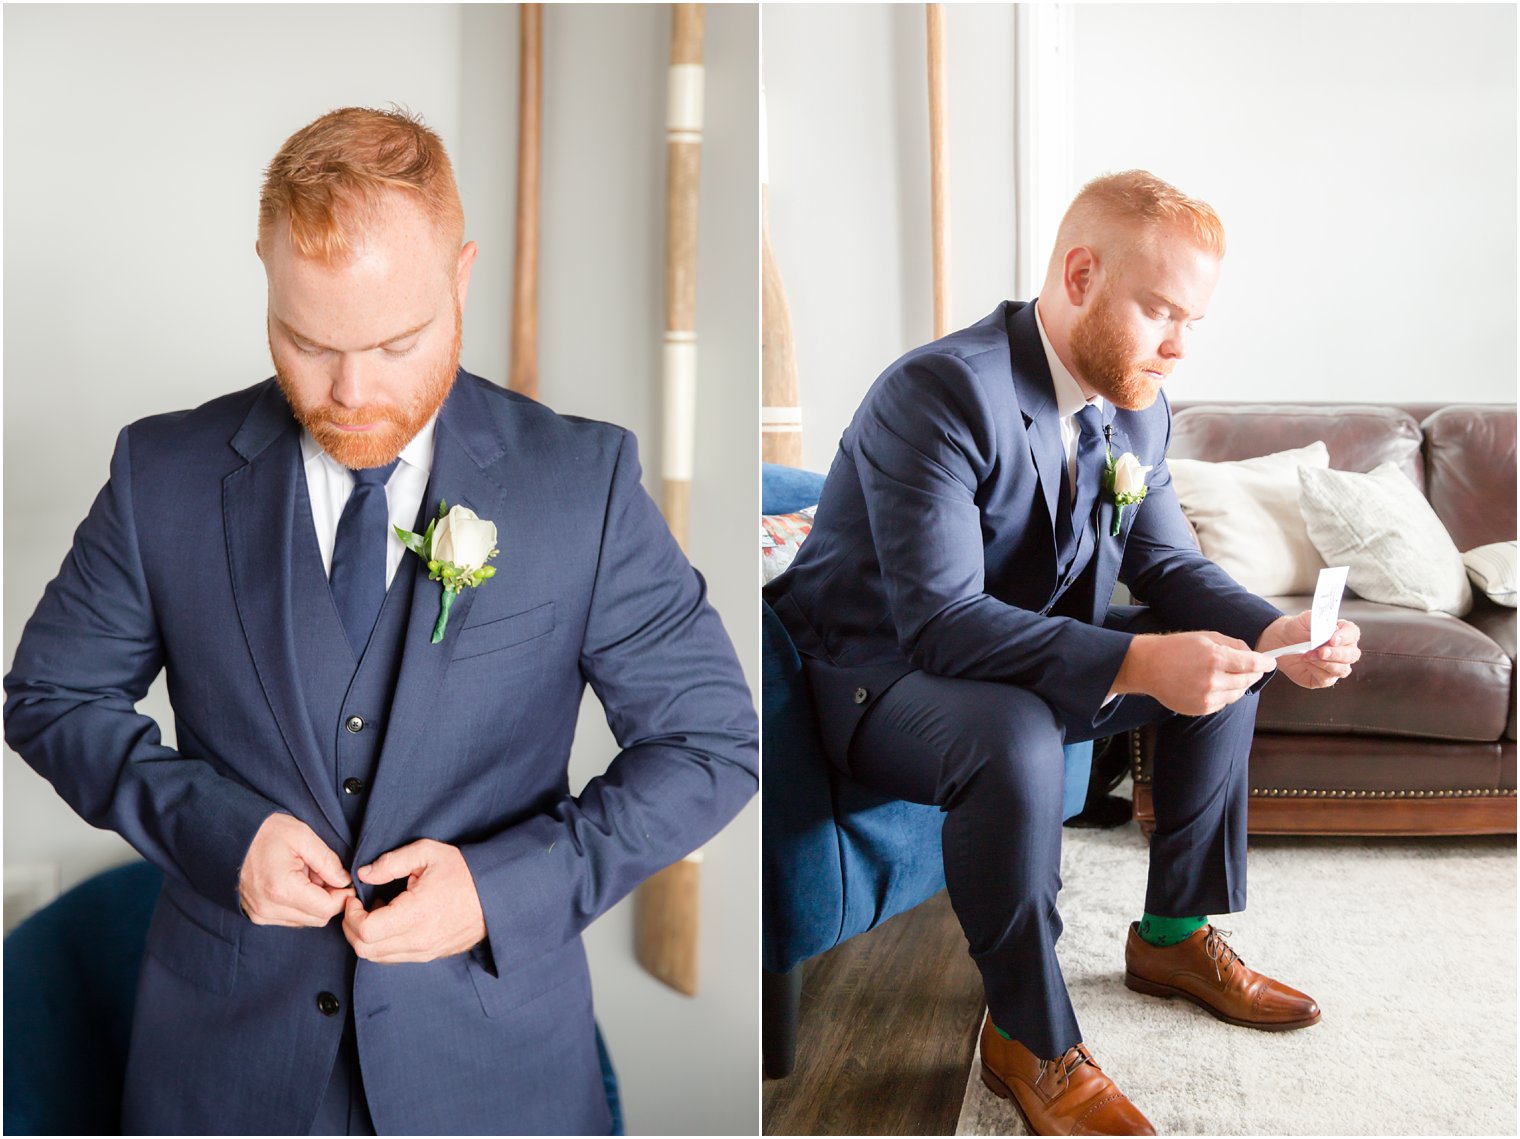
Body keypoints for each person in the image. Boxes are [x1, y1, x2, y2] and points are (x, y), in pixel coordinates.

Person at [4, 107, 758, 1136]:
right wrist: (219, 833)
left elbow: (712, 742)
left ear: (461, 275)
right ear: (264, 278)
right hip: (220, 1080)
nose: (350, 393)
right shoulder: (160, 475)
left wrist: (501, 889)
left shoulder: (582, 483)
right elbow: (49, 695)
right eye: (305, 342)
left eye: (396, 343)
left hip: (498, 1078)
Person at [763, 170, 1361, 1136]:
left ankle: (1171, 934)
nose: (1177, 344)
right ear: (1080, 273)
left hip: (1014, 661)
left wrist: (1270, 630)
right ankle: (1029, 1039)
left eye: (1192, 321)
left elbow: (1164, 558)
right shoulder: (941, 393)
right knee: (1019, 733)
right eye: (1160, 310)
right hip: (876, 677)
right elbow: (943, 623)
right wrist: (1132, 665)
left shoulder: (1139, 404)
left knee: (1224, 662)